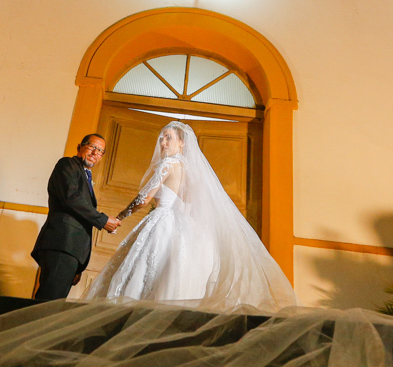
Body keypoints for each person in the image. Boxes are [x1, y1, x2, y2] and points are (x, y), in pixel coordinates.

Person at [84, 121, 296, 312]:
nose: (163, 142)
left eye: (169, 138)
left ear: (182, 143)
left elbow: (144, 198)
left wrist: (121, 216)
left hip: (163, 220)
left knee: (146, 270)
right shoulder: (190, 169)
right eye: (162, 138)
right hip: (179, 224)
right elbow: (191, 202)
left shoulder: (168, 164)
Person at [30, 133, 120, 300]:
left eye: (100, 151)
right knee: (47, 303)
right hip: (62, 244)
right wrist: (103, 220)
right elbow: (71, 198)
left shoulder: (86, 175)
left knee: (54, 304)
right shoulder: (68, 164)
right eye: (92, 147)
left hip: (71, 251)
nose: (95, 152)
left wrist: (78, 265)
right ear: (80, 147)